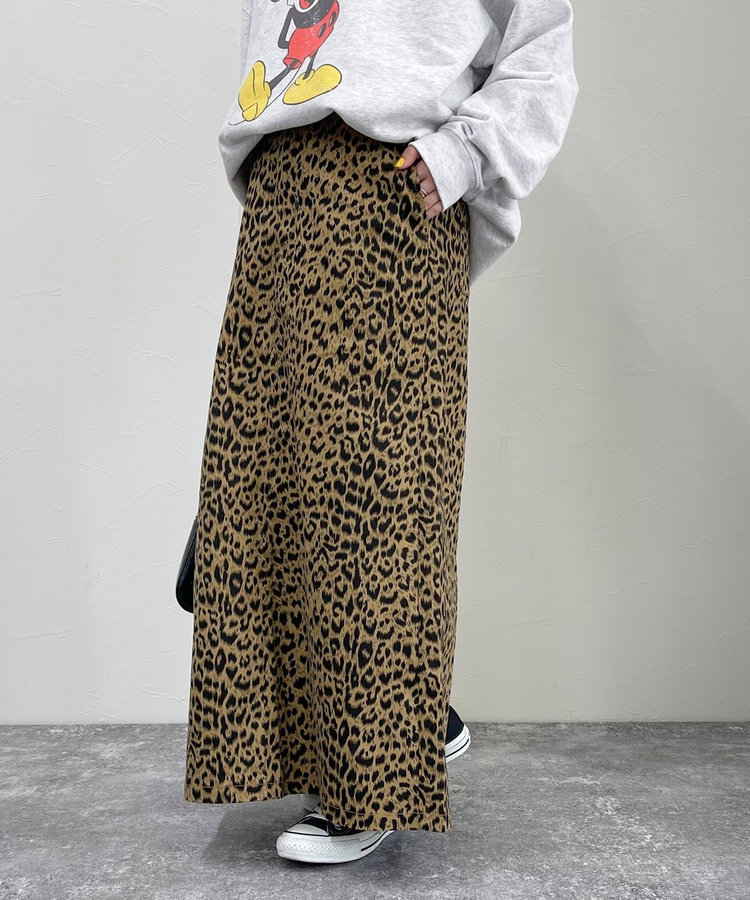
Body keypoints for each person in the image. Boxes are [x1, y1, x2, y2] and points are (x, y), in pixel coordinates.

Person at [184, 0, 579, 865]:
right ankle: (407, 719)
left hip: (389, 184)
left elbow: (541, 43)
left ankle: (373, 776)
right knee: (269, 484)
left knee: (375, 496)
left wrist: (467, 152)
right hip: (282, 188)